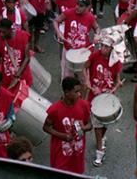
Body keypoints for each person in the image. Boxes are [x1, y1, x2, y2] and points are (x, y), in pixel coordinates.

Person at [85, 35, 123, 166]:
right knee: (97, 124)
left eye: (106, 47)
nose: (103, 49)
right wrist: (87, 81)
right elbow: (85, 67)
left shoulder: (116, 61)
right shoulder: (95, 55)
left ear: (112, 48)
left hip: (108, 97)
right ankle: (99, 152)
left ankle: (101, 139)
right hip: (95, 96)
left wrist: (118, 83)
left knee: (105, 123)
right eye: (102, 46)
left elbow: (117, 78)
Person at [44, 75, 92, 175]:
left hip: (77, 156)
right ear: (66, 92)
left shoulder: (84, 105)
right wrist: (63, 136)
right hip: (60, 155)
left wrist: (83, 128)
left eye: (79, 91)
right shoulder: (55, 109)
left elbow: (90, 125)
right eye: (76, 92)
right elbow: (46, 127)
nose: (79, 94)